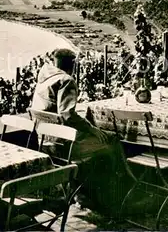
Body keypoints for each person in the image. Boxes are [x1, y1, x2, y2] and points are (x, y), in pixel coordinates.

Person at [30, 48, 145, 216]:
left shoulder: (43, 79)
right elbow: (67, 115)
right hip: (64, 146)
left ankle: (83, 196)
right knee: (111, 140)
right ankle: (122, 196)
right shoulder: (66, 80)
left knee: (99, 144)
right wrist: (91, 128)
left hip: (45, 143)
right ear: (73, 65)